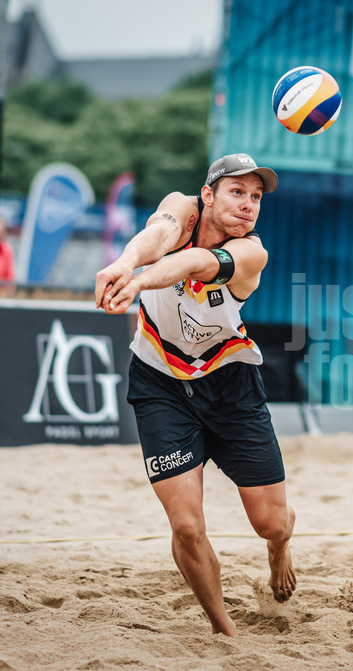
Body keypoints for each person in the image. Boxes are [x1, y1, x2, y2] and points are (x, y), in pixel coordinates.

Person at [94, 153, 295, 637]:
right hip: (159, 381)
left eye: (256, 197)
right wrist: (124, 263)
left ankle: (278, 550)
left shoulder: (252, 253)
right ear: (207, 195)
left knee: (271, 522)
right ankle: (222, 627)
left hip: (230, 385)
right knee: (186, 526)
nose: (248, 205)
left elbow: (197, 262)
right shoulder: (179, 209)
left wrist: (138, 280)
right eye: (237, 192)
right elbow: (159, 238)